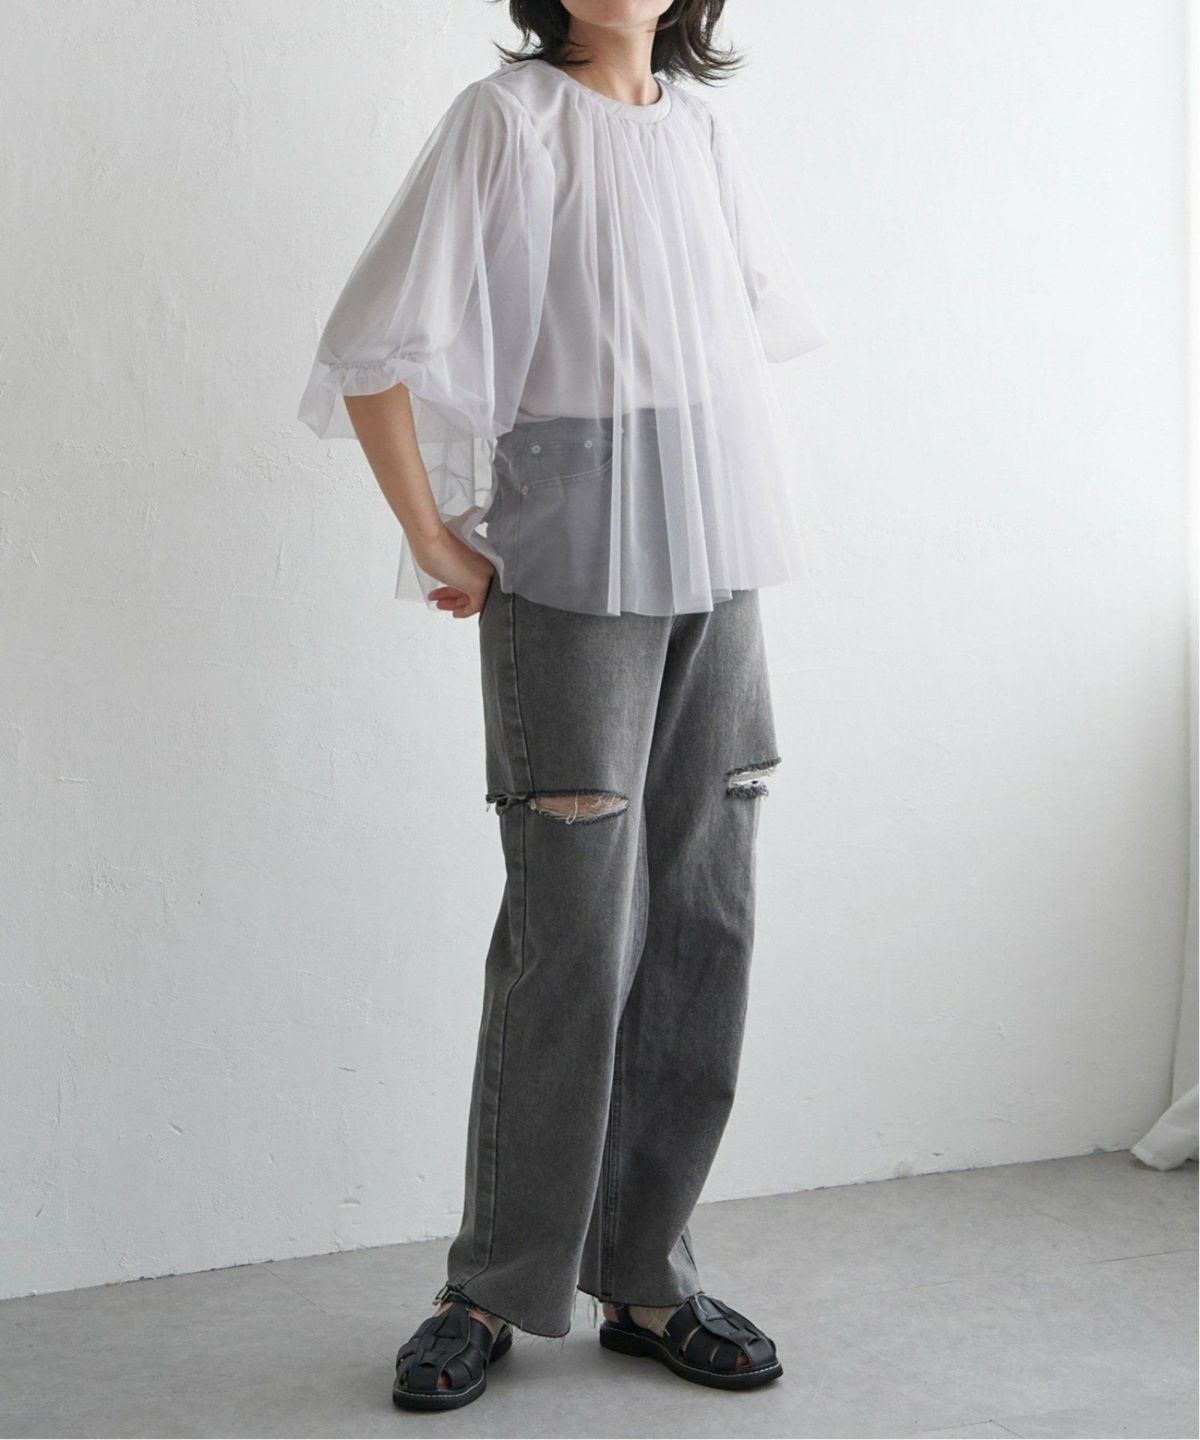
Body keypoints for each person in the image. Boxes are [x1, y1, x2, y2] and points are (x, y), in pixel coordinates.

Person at [298, 0, 826, 1411]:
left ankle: (646, 1275)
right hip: (574, 548)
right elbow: (371, 345)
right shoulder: (507, 121)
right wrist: (433, 536)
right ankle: (491, 1284)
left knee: (705, 909)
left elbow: (727, 347)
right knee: (573, 929)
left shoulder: (704, 133)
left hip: (720, 542)